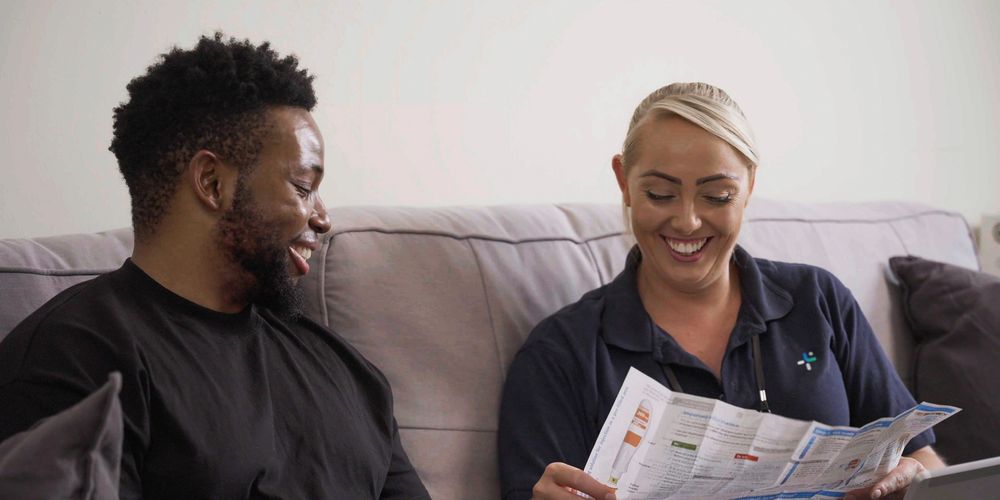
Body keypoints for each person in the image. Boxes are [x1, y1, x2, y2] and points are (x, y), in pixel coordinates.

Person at [0, 33, 429, 499]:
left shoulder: (349, 374)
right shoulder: (76, 359)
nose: (323, 219)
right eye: (303, 187)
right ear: (212, 182)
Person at [498, 82, 945, 500]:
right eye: (659, 193)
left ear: (749, 184)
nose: (688, 221)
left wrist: (916, 478)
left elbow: (921, 457)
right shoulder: (562, 354)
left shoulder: (818, 300)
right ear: (623, 181)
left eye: (716, 196)